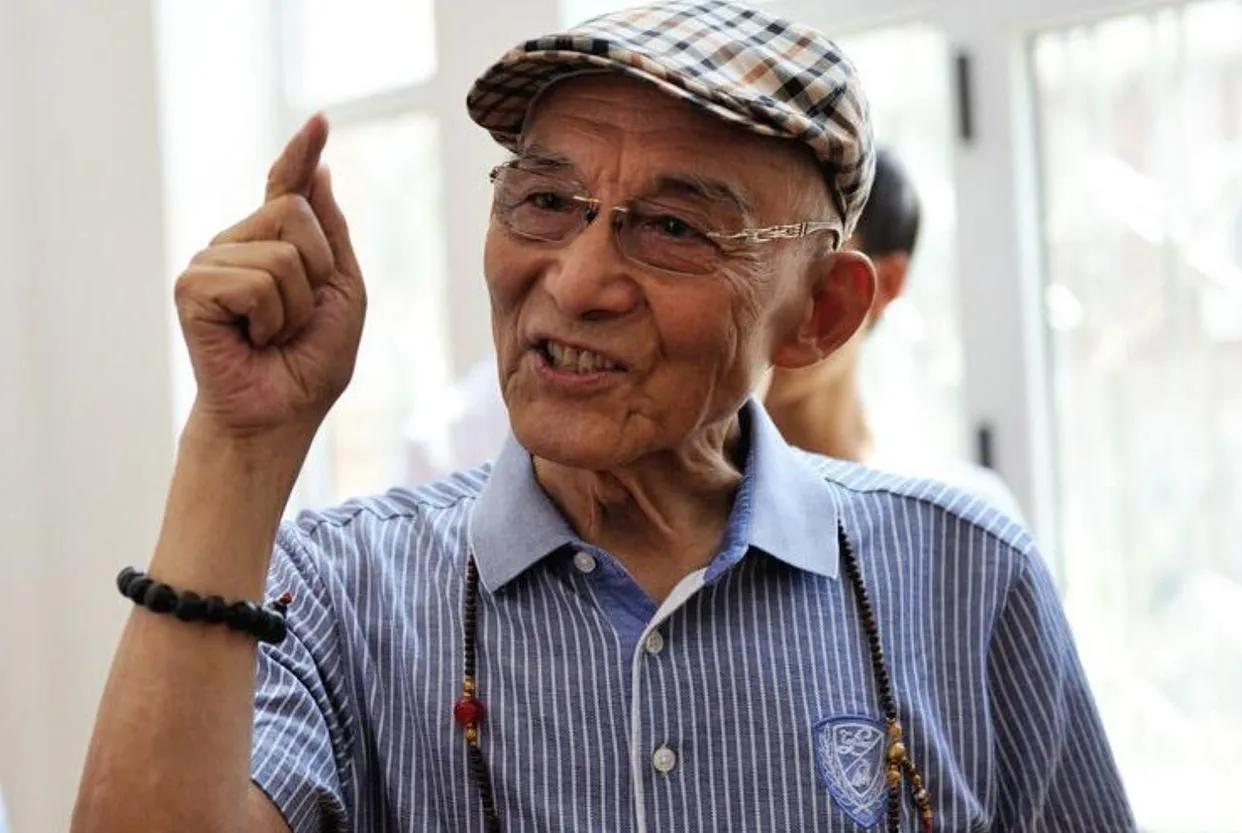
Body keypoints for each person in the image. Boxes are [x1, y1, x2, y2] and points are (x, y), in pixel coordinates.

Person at [72, 3, 1134, 832]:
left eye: (672, 226)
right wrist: (240, 441)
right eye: (544, 202)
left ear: (820, 313)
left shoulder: (964, 579)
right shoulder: (344, 596)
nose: (576, 282)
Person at [764, 148, 1024, 520]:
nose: (765, 297)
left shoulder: (959, 515)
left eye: (806, 261)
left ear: (883, 285)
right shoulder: (692, 513)